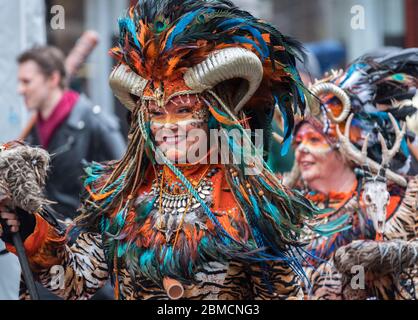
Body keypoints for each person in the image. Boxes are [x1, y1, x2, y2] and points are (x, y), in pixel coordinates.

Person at [0, 0, 321, 300]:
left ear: (213, 114)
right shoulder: (122, 194)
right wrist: (31, 229)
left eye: (182, 111)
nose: (167, 125)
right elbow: (76, 280)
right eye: (155, 113)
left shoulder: (249, 197)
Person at [287, 49, 418, 299]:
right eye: (298, 141)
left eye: (314, 139)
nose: (302, 148)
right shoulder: (287, 210)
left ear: (345, 148)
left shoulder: (390, 204)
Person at [17, 46, 126, 221]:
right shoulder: (32, 134)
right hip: (47, 240)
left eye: (26, 81)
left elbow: (127, 184)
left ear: (52, 79)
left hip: (88, 242)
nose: (19, 90)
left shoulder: (95, 123)